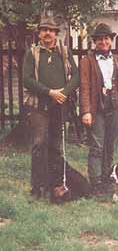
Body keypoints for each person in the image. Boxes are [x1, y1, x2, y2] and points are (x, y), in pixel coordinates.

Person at [23, 16, 80, 199]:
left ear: (56, 33)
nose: (48, 33)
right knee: (40, 144)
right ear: (39, 33)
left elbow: (76, 76)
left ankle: (54, 184)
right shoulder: (32, 53)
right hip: (39, 107)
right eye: (44, 30)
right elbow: (27, 79)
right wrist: (49, 93)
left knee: (56, 146)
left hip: (59, 106)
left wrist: (63, 93)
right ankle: (36, 188)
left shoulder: (64, 51)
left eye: (51, 30)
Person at [79, 23, 118, 194]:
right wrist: (86, 111)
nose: (104, 42)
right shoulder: (87, 60)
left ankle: (107, 176)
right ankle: (95, 181)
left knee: (109, 143)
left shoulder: (115, 58)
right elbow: (84, 86)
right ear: (95, 41)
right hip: (96, 107)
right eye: (100, 39)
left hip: (114, 106)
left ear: (111, 40)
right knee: (97, 145)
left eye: (107, 38)